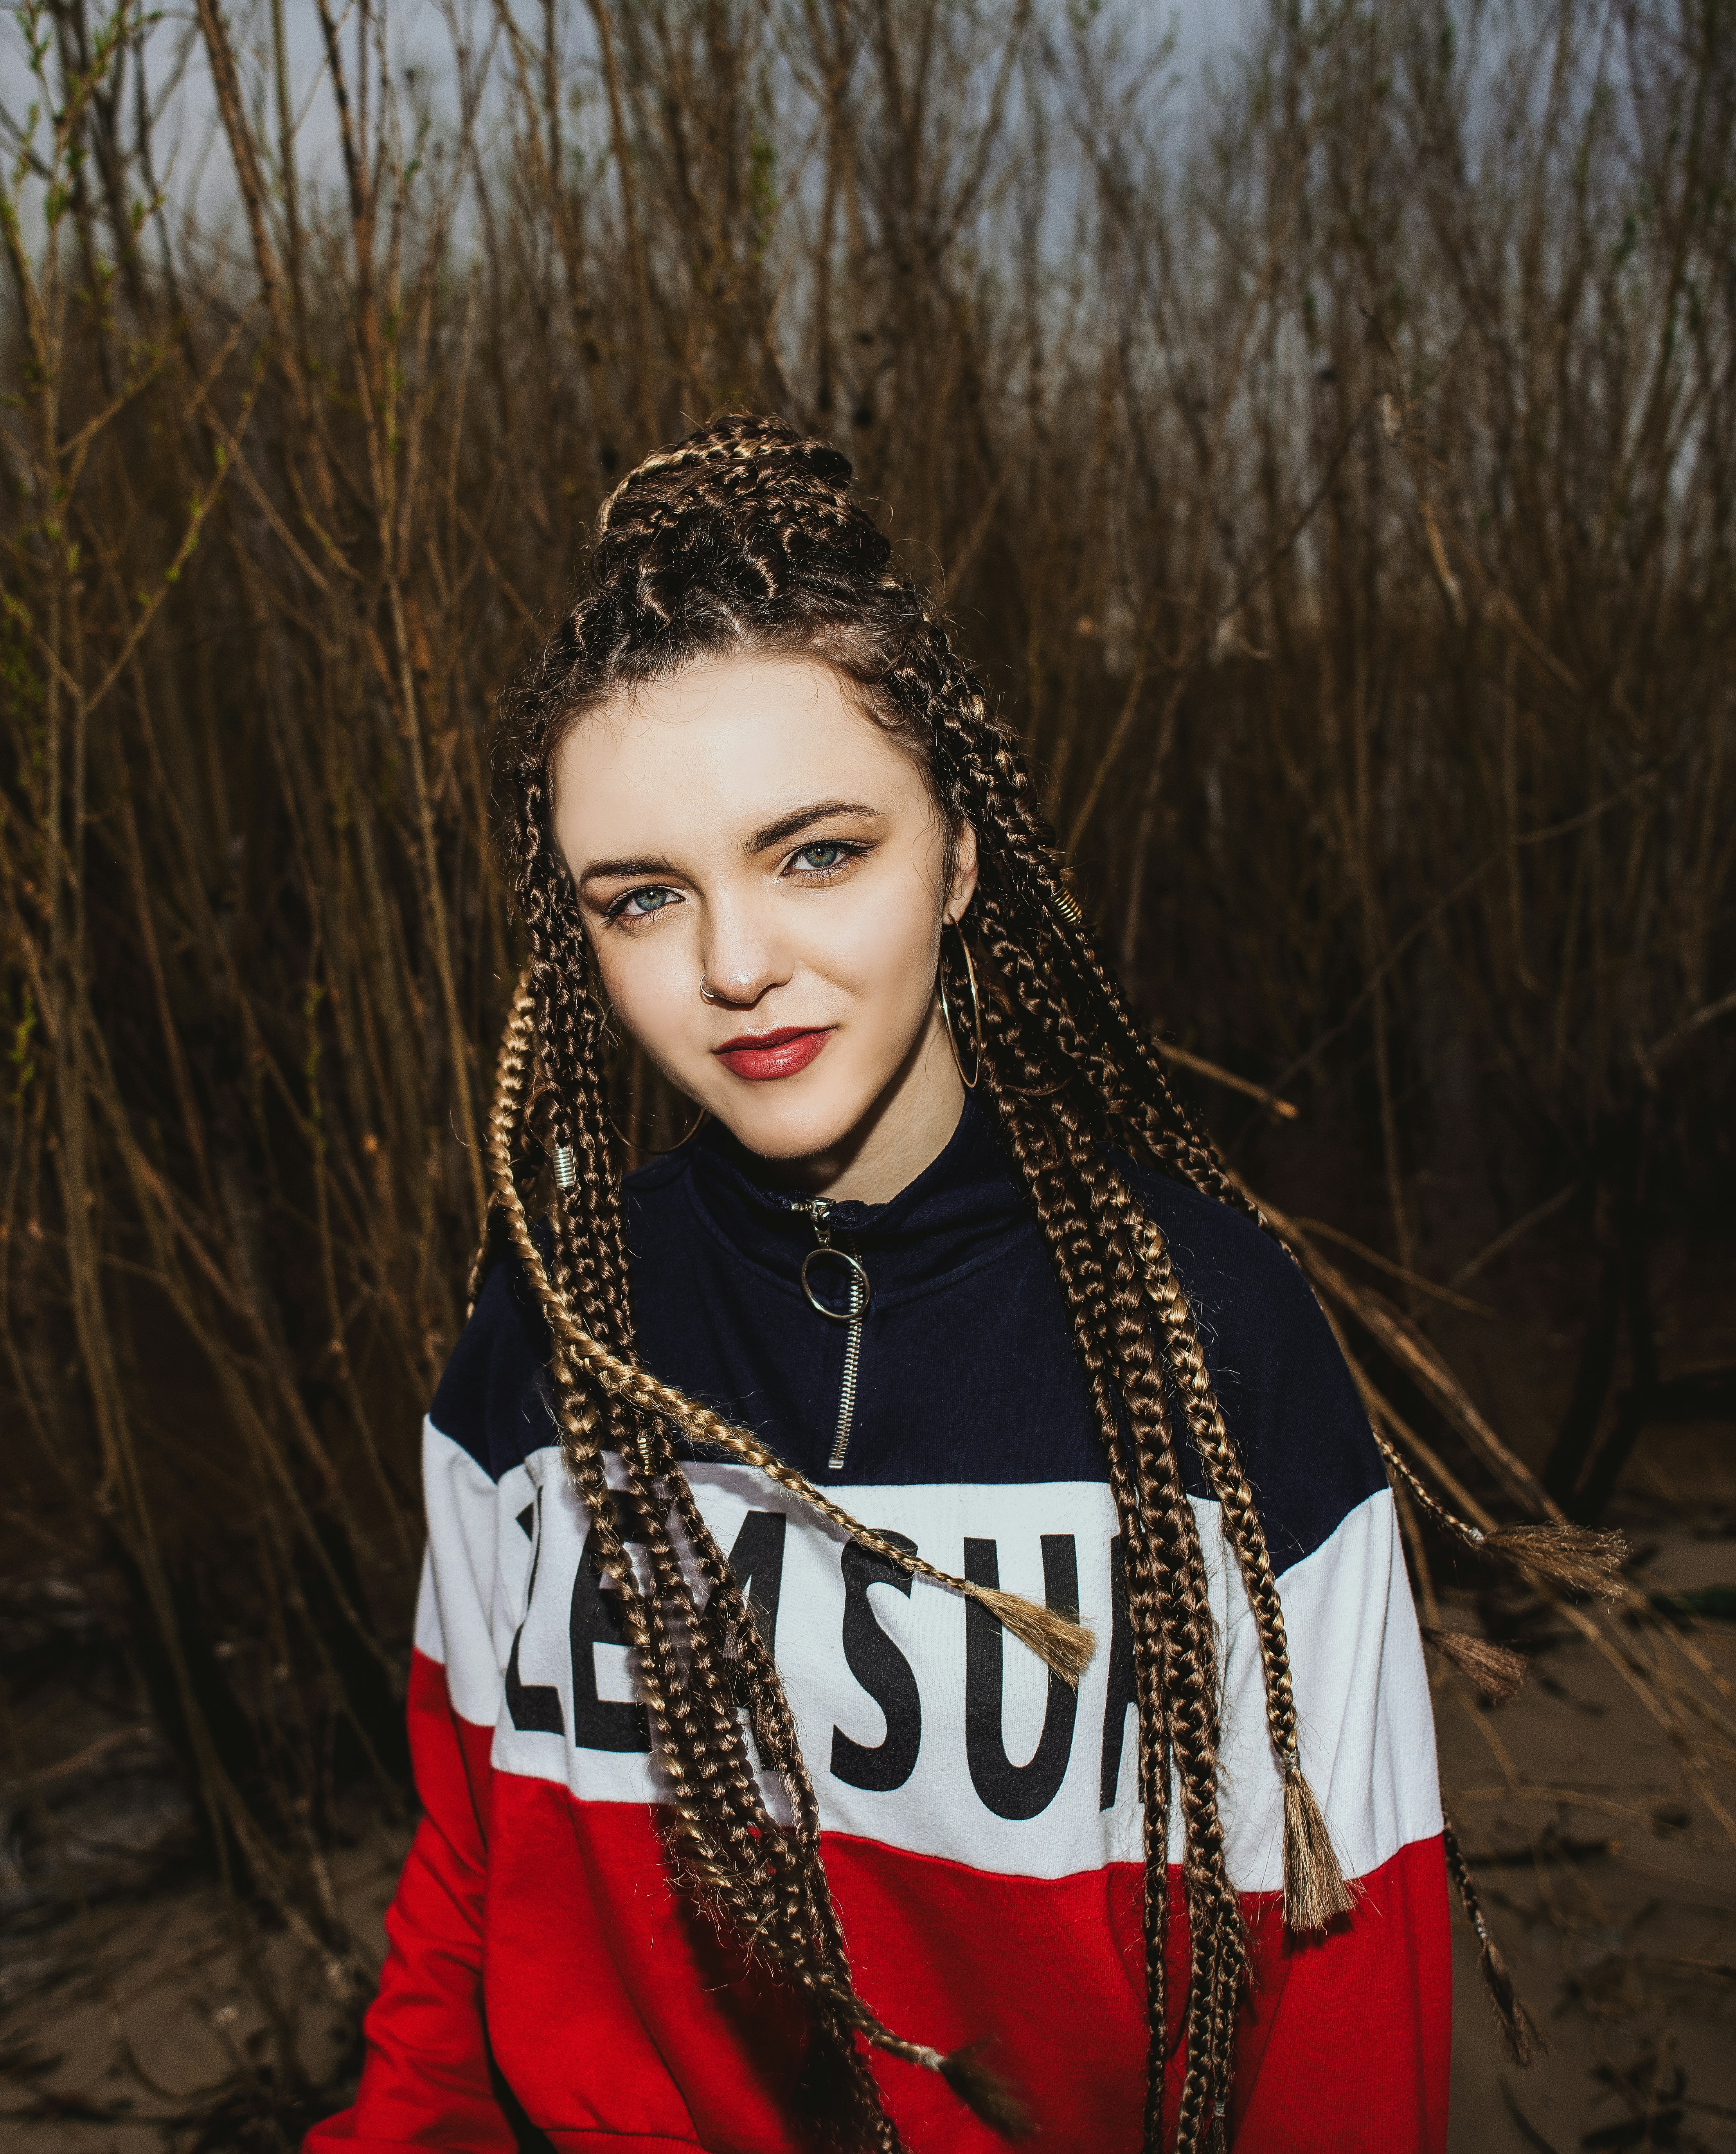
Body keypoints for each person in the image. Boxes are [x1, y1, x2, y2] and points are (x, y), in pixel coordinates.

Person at [307, 416, 1463, 2152]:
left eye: (816, 851)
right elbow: (470, 1901)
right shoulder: (546, 1337)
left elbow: (1346, 2023)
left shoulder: (1205, 1337)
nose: (735, 962)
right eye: (640, 898)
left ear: (962, 851)